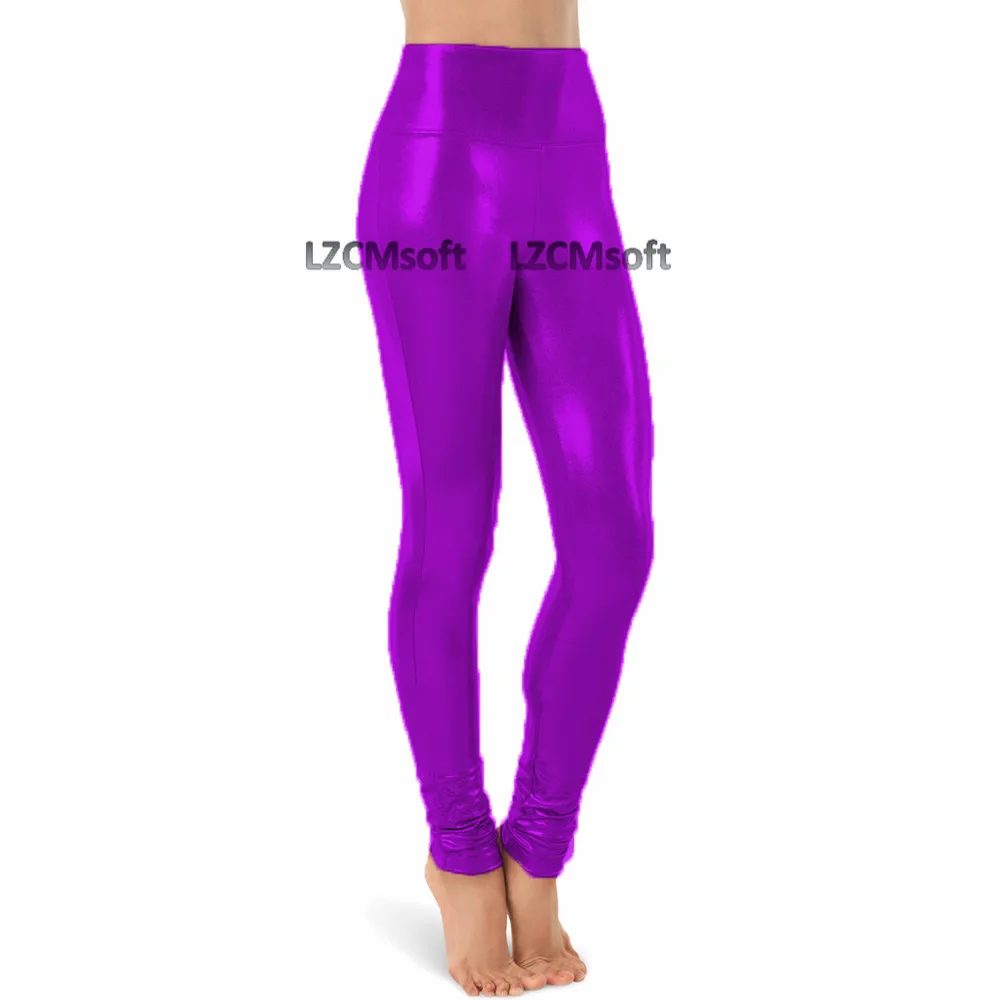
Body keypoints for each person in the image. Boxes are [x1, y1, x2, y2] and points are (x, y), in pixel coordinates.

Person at [356, 1, 654, 994]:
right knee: (452, 528)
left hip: (570, 154)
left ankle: (537, 843)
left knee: (614, 542)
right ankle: (459, 854)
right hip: (438, 158)